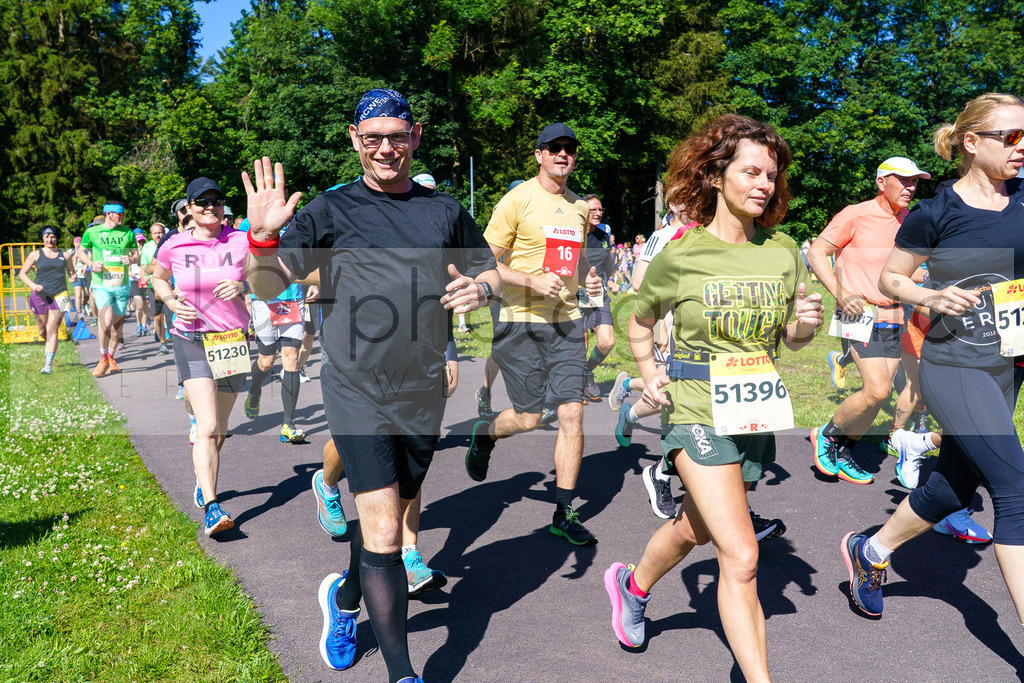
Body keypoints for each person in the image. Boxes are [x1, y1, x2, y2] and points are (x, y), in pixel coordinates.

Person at [244, 88, 498, 682]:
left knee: (389, 511)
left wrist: (483, 288)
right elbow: (265, 287)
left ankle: (344, 597)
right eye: (373, 137)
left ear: (416, 137)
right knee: (384, 527)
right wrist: (260, 239)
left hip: (423, 387)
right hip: (356, 385)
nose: (387, 148)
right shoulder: (329, 211)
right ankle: (404, 674)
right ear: (355, 140)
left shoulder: (443, 210)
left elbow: (488, 265)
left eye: (398, 136)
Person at [604, 114, 823, 682]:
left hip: (754, 405)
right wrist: (650, 371)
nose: (763, 185)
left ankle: (633, 584)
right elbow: (640, 319)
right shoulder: (683, 253)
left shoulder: (781, 252)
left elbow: (789, 341)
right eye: (750, 171)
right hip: (695, 406)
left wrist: (803, 323)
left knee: (695, 528)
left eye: (771, 176)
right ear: (716, 174)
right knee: (743, 556)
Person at [842, 93, 1024, 623]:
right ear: (971, 143)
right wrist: (930, 297)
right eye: (1010, 137)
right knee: (1014, 491)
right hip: (953, 362)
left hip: (1006, 363)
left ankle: (870, 551)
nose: (1021, 148)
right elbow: (890, 278)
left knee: (954, 485)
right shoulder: (934, 211)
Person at [464, 122, 603, 546]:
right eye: (555, 148)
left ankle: (563, 512)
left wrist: (590, 286)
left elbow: (574, 266)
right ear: (539, 154)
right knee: (527, 418)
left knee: (572, 414)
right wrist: (530, 280)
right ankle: (485, 434)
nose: (564, 154)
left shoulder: (580, 208)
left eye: (570, 149)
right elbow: (482, 262)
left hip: (566, 322)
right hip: (519, 321)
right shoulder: (518, 199)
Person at [806, 156, 932, 485]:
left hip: (896, 313)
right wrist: (839, 291)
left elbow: (906, 270)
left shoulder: (909, 220)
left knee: (881, 391)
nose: (911, 187)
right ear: (881, 183)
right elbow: (817, 252)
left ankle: (846, 450)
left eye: (915, 181)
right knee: (877, 391)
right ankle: (827, 434)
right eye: (903, 180)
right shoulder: (855, 214)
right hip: (858, 311)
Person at [152, 177, 250, 536]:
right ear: (188, 208)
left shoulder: (240, 240)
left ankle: (202, 476)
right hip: (190, 337)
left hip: (232, 339)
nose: (211, 206)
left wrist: (244, 286)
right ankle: (212, 508)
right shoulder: (173, 245)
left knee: (220, 431)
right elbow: (158, 278)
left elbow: (269, 276)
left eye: (217, 200)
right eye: (202, 201)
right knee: (207, 427)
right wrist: (169, 299)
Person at [77, 200, 139, 377]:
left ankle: (111, 356)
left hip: (122, 284)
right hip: (101, 284)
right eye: (120, 214)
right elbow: (81, 252)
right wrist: (90, 263)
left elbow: (136, 254)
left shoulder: (127, 232)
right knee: (106, 321)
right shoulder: (92, 232)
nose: (122, 217)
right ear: (109, 214)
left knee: (117, 326)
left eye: (123, 214)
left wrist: (132, 260)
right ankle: (103, 357)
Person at [19, 226, 75, 373]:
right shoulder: (35, 254)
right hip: (40, 294)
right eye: (47, 237)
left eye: (53, 237)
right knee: (42, 329)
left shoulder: (66, 255)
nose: (50, 239)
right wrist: (33, 285)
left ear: (57, 238)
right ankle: (48, 347)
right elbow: (22, 274)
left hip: (61, 294)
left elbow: (71, 273)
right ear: (42, 238)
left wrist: (74, 276)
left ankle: (48, 364)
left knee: (54, 328)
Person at [580, 193, 616, 401]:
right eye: (592, 210)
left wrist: (610, 278)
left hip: (598, 293)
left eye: (600, 209)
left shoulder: (605, 232)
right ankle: (575, 383)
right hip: (576, 293)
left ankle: (585, 371)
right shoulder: (574, 232)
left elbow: (608, 258)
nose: (597, 213)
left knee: (607, 342)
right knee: (579, 344)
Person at [140, 222, 166, 348]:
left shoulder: (169, 243)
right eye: (155, 233)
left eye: (160, 232)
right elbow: (143, 267)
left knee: (172, 315)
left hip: (169, 284)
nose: (158, 235)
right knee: (157, 317)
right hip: (153, 286)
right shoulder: (147, 248)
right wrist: (143, 276)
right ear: (151, 235)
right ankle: (163, 344)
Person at [129, 231, 150, 337]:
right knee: (139, 305)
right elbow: (126, 268)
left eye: (142, 242)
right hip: (135, 281)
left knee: (147, 305)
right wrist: (130, 273)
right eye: (139, 242)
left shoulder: (147, 251)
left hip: (145, 281)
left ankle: (144, 325)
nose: (140, 244)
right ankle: (138, 324)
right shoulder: (131, 252)